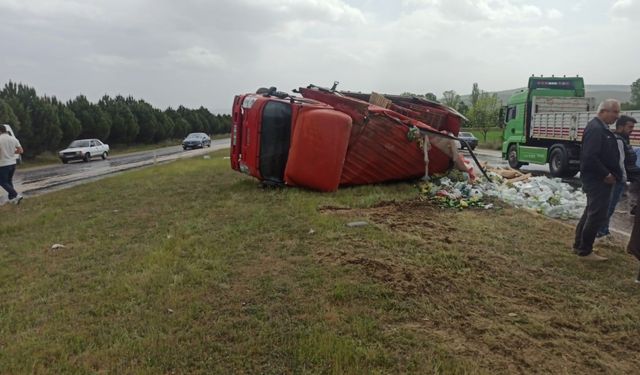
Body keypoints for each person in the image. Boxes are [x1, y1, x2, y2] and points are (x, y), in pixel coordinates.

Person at [573, 99, 621, 261]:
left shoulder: (601, 128)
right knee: (596, 216)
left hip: (597, 179)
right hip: (597, 180)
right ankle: (585, 251)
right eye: (614, 112)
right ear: (603, 111)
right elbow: (589, 156)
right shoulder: (596, 129)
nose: (617, 116)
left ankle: (579, 245)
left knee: (590, 213)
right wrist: (605, 174)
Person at [597, 115, 640, 237]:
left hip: (620, 178)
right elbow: (621, 163)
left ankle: (603, 230)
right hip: (617, 179)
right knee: (609, 207)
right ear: (621, 126)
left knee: (609, 207)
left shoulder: (623, 139)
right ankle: (601, 231)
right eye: (630, 127)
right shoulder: (618, 140)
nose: (632, 129)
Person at [0, 124, 24, 205]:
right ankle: (12, 199)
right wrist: (12, 153)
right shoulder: (13, 138)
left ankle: (16, 195)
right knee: (9, 181)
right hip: (13, 163)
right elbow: (21, 151)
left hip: (3, 164)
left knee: (2, 182)